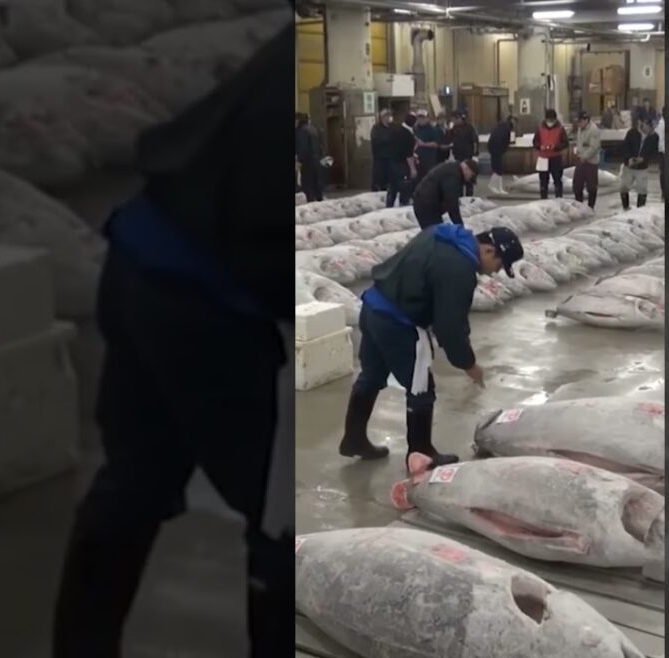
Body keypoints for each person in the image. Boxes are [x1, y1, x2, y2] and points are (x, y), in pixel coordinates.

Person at [51, 25, 293, 658]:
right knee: (282, 523)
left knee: (135, 476)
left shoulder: (284, 52)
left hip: (140, 253)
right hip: (208, 300)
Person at [339, 224, 524, 470]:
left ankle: (354, 439)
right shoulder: (460, 269)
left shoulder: (441, 234)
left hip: (373, 308)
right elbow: (450, 326)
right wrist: (468, 363)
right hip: (398, 323)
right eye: (499, 266)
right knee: (421, 388)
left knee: (371, 376)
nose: (494, 273)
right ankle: (421, 453)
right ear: (490, 251)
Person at [410, 159, 480, 229]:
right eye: (471, 176)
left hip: (426, 202)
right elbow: (451, 203)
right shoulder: (453, 176)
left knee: (436, 231)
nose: (469, 180)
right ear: (467, 170)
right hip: (426, 205)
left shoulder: (453, 169)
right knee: (434, 232)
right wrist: (460, 226)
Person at [619, 117, 659, 209]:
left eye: (651, 127)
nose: (649, 128)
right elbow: (625, 147)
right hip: (629, 165)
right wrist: (629, 158)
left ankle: (640, 210)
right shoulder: (632, 133)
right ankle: (625, 207)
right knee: (624, 187)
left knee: (642, 189)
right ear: (643, 125)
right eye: (648, 126)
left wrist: (644, 159)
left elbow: (654, 152)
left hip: (642, 167)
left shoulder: (654, 137)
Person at [532, 108, 569, 199]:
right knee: (543, 181)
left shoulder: (560, 128)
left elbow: (565, 143)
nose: (550, 122)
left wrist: (556, 147)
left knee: (557, 180)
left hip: (555, 157)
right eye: (548, 120)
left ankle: (559, 198)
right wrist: (540, 146)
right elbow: (535, 141)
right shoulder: (540, 128)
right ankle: (543, 199)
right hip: (543, 158)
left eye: (552, 120)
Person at [385, 114, 418, 207]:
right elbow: (408, 154)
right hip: (401, 165)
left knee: (392, 187)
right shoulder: (408, 135)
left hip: (391, 164)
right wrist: (413, 169)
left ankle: (389, 206)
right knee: (405, 187)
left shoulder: (394, 130)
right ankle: (404, 204)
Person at [571, 111, 602, 209]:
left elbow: (594, 147)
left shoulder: (594, 130)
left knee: (591, 186)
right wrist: (577, 151)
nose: (578, 124)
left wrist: (585, 157)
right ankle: (579, 205)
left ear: (586, 120)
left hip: (591, 162)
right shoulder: (580, 128)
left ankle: (591, 206)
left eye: (580, 121)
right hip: (580, 160)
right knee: (577, 185)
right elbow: (580, 142)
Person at [447, 110, 480, 197]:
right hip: (457, 157)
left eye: (454, 119)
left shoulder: (470, 127)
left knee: (469, 179)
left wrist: (475, 155)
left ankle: (469, 197)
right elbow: (450, 141)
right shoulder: (454, 128)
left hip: (468, 156)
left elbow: (475, 142)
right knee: (458, 178)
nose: (453, 121)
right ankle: (460, 198)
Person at [296, 112, 324, 201]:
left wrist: (299, 161)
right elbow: (320, 146)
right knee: (317, 185)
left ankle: (311, 203)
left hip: (307, 162)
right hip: (316, 160)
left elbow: (302, 147)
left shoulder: (301, 131)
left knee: (308, 186)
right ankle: (320, 203)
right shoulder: (313, 129)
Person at [486, 114, 516, 195]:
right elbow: (506, 141)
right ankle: (493, 186)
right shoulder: (507, 128)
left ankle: (497, 187)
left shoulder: (501, 125)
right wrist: (504, 149)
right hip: (497, 148)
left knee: (498, 168)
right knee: (498, 169)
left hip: (492, 147)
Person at [413, 109, 442, 188]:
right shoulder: (414, 129)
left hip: (428, 160)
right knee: (416, 181)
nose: (421, 119)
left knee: (428, 180)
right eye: (419, 117)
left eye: (423, 117)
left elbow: (436, 144)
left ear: (427, 118)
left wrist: (423, 144)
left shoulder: (433, 130)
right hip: (416, 160)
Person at [370, 110, 394, 192]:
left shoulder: (392, 127)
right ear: (383, 117)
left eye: (389, 115)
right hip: (380, 157)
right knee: (379, 176)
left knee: (389, 176)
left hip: (390, 156)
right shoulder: (376, 128)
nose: (389, 117)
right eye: (387, 116)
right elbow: (375, 140)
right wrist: (388, 140)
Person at [657, 106, 666, 201]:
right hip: (663, 152)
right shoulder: (662, 123)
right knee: (664, 173)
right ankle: (664, 193)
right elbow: (661, 140)